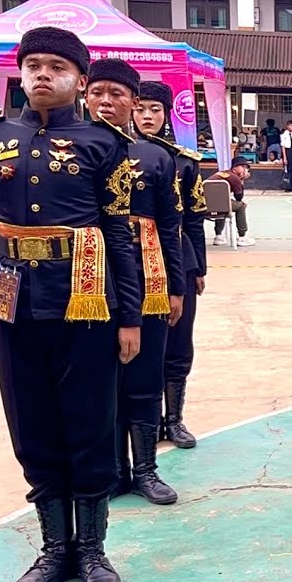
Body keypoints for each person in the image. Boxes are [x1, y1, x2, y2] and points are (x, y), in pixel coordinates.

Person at [0, 27, 141, 582]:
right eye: (34, 65)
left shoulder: (105, 144)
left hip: (86, 301)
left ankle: (91, 550)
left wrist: (130, 316)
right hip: (13, 304)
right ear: (20, 73)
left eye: (57, 67)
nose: (43, 74)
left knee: (89, 421)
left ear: (81, 81)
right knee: (32, 423)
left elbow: (121, 235)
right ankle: (53, 550)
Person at [84, 60, 185, 506]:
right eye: (99, 92)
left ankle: (145, 468)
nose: (107, 102)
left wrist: (177, 286)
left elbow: (171, 225)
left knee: (144, 374)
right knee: (99, 380)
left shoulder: (157, 157)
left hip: (149, 277)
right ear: (86, 94)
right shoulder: (68, 149)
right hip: (86, 283)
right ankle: (111, 471)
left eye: (118, 95)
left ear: (132, 103)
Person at [134, 82, 206, 452]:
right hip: (133, 262)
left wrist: (200, 268)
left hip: (179, 259)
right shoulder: (117, 154)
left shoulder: (184, 161)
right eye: (142, 108)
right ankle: (142, 422)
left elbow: (194, 219)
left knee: (179, 341)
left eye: (156, 110)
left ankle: (174, 419)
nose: (148, 116)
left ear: (167, 114)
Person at [211, 157, 255, 247]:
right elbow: (239, 197)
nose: (245, 169)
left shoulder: (222, 173)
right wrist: (241, 180)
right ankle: (242, 236)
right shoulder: (235, 178)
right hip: (220, 204)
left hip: (206, 204)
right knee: (241, 206)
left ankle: (218, 236)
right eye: (242, 166)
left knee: (222, 204)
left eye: (246, 167)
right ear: (235, 167)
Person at [281, 120, 292, 191]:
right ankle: (287, 186)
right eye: (291, 126)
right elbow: (283, 146)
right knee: (288, 169)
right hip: (287, 151)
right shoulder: (284, 135)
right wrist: (284, 157)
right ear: (287, 126)